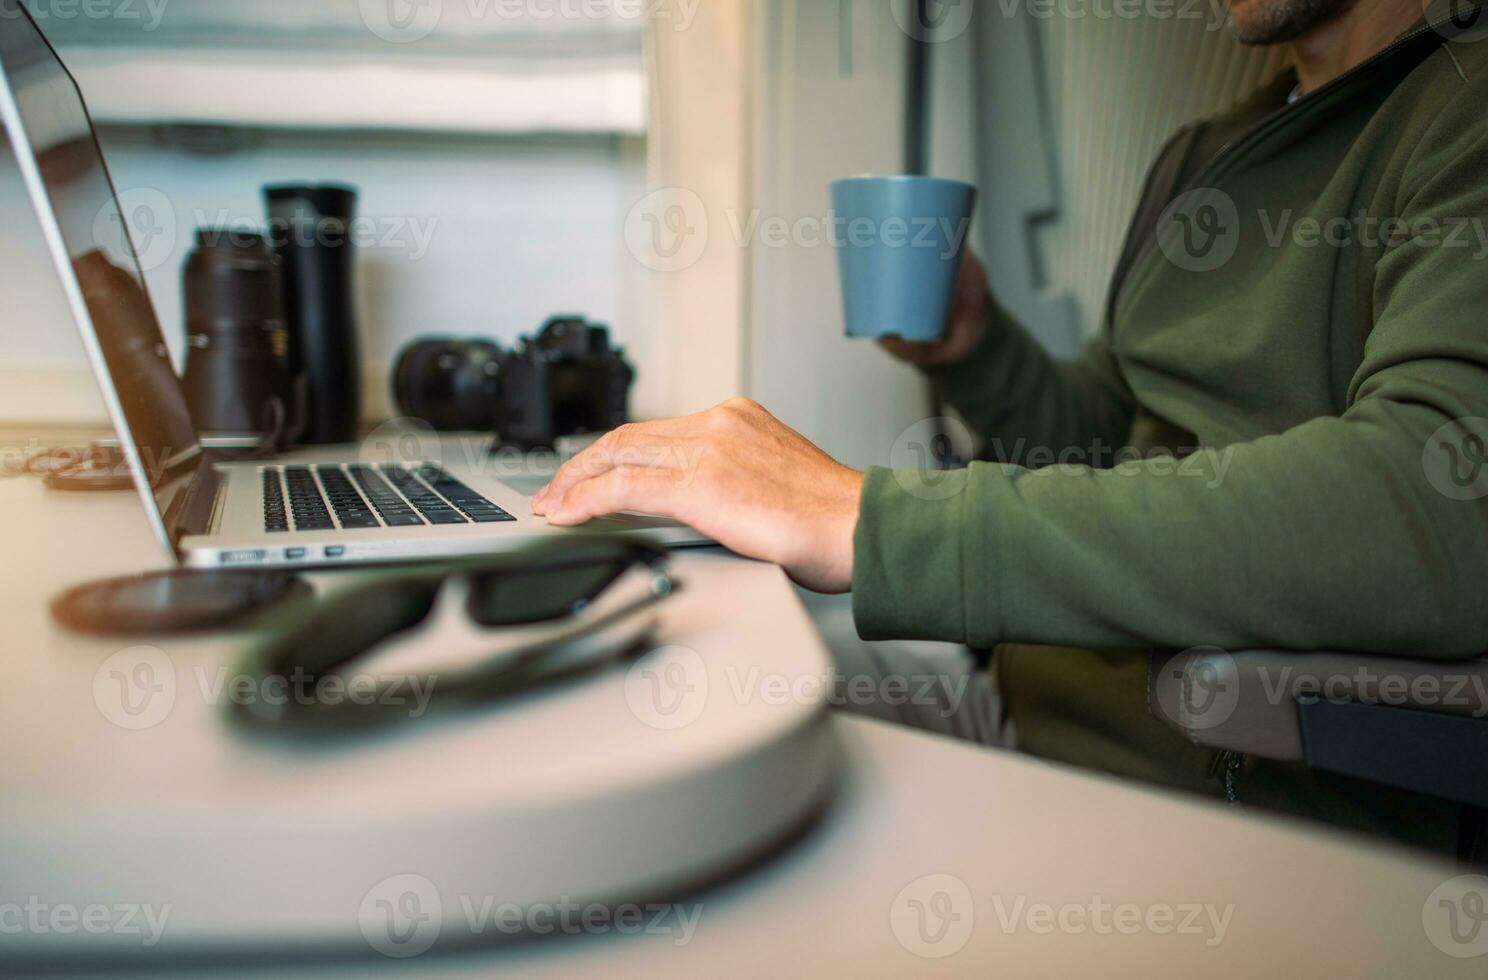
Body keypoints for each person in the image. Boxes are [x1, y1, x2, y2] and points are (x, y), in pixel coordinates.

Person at [535, 0, 1488, 855]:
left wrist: (870, 522)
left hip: (1209, 792)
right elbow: (1113, 445)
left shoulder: (1461, 105)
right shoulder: (1209, 153)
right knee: (656, 684)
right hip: (1034, 709)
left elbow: (1437, 506)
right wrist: (978, 348)